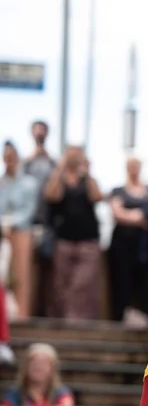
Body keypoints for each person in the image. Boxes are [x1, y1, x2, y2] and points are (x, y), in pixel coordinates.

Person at [42, 148, 103, 319]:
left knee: (82, 284)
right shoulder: (59, 179)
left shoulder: (87, 180)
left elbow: (97, 197)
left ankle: (77, 320)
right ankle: (63, 318)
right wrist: (60, 168)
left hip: (88, 239)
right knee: (61, 284)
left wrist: (87, 171)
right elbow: (51, 196)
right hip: (63, 239)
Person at [108, 156, 148, 327]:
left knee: (146, 283)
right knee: (121, 283)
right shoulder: (118, 191)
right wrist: (144, 216)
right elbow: (118, 214)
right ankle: (119, 319)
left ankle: (147, 320)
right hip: (123, 246)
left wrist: (132, 215)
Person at [23, 121, 57, 318]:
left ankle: (44, 312)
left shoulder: (52, 162)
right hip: (27, 223)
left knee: (48, 270)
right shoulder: (26, 162)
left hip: (49, 224)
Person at [0, 142, 38, 319]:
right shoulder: (1, 183)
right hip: (2, 234)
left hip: (21, 233)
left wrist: (11, 222)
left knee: (21, 278)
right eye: (6, 157)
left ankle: (22, 317)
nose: (10, 161)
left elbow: (29, 210)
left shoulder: (29, 183)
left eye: (12, 157)